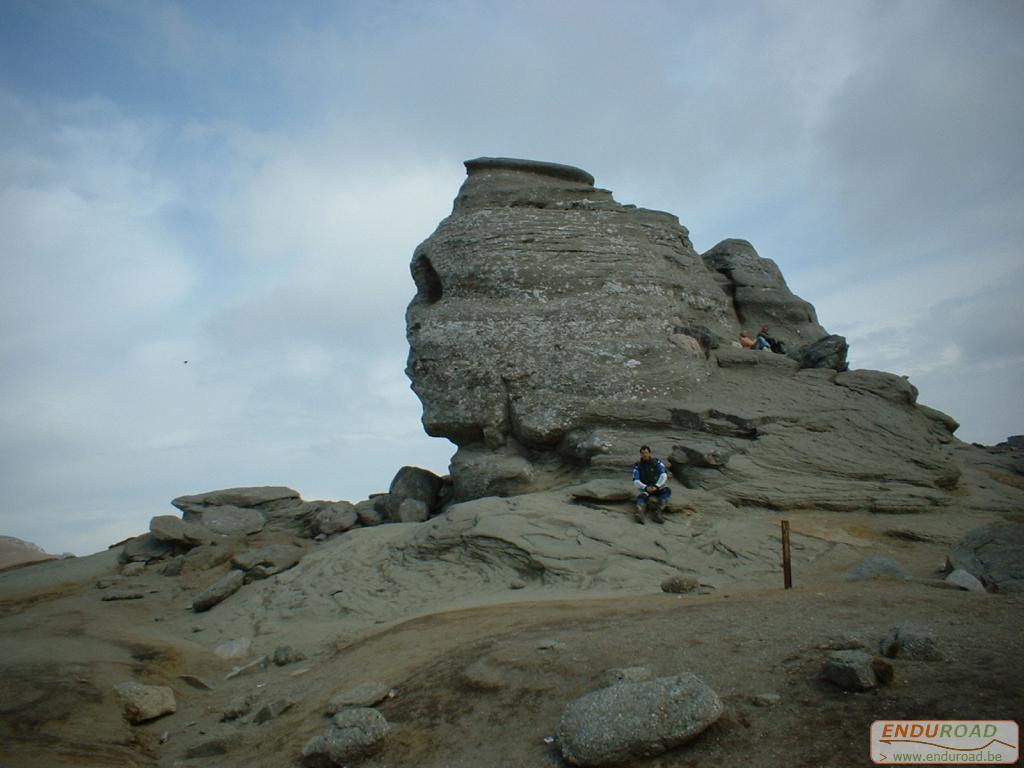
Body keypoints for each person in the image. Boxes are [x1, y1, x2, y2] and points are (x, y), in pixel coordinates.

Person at [631, 445, 671, 524]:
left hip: (657, 487)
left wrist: (657, 486)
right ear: (640, 454)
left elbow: (663, 475)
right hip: (646, 488)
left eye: (646, 452)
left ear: (649, 453)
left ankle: (657, 513)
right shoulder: (637, 466)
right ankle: (640, 513)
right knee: (641, 497)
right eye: (643, 453)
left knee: (667, 491)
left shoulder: (657, 462)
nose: (645, 455)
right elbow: (636, 480)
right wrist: (645, 487)